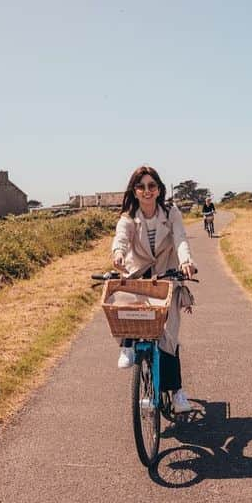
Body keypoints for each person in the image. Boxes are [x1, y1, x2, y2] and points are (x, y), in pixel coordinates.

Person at [111, 166, 197, 413]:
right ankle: (127, 346)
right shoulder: (129, 216)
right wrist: (117, 253)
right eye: (141, 187)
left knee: (167, 335)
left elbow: (180, 239)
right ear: (135, 191)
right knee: (126, 309)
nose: (147, 191)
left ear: (159, 189)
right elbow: (121, 238)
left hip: (166, 275)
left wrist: (186, 262)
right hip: (138, 275)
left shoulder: (171, 213)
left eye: (152, 186)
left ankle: (177, 392)